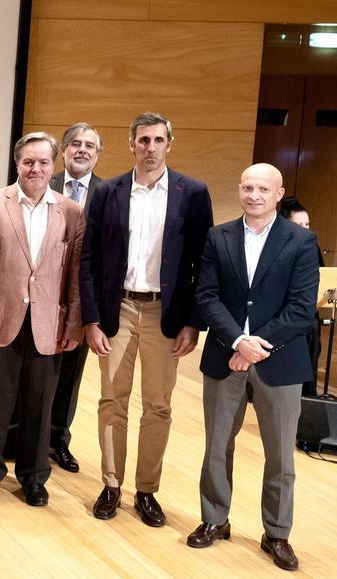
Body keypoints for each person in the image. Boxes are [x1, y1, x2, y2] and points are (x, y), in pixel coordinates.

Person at [80, 111, 213, 526]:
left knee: (157, 405)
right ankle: (111, 484)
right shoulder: (108, 192)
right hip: (116, 307)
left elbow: (201, 263)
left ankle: (147, 491)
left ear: (169, 144)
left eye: (158, 140)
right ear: (131, 144)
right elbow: (88, 259)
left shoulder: (193, 193)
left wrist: (193, 321)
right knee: (111, 400)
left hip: (165, 313)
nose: (150, 147)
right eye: (143, 140)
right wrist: (91, 319)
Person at [188, 164, 319, 572]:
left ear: (279, 194)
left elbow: (301, 309)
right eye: (247, 187)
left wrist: (254, 346)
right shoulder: (218, 236)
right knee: (216, 446)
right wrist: (238, 340)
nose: (254, 195)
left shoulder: (301, 241)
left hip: (279, 362)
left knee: (280, 455)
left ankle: (276, 533)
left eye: (263, 188)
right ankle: (215, 519)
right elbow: (206, 295)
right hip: (225, 357)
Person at [0, 133, 84, 507]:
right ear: (18, 164)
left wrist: (73, 324)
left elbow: (75, 276)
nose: (36, 169)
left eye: (43, 162)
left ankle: (34, 476)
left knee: (40, 403)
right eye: (29, 162)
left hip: (49, 324)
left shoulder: (71, 211)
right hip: (0, 320)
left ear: (53, 165)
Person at [45, 122, 103, 473]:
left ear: (97, 154)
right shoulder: (41, 181)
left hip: (82, 298)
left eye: (90, 146)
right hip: (39, 294)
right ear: (63, 150)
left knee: (69, 373)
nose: (82, 150)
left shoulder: (108, 192)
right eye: (75, 144)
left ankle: (56, 441)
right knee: (33, 370)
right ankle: (21, 438)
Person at [280, 196, 325, 397]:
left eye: (307, 224)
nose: (305, 229)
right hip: (282, 318)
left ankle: (308, 406)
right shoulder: (277, 247)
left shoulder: (311, 247)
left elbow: (322, 278)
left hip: (308, 318)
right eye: (299, 225)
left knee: (309, 362)